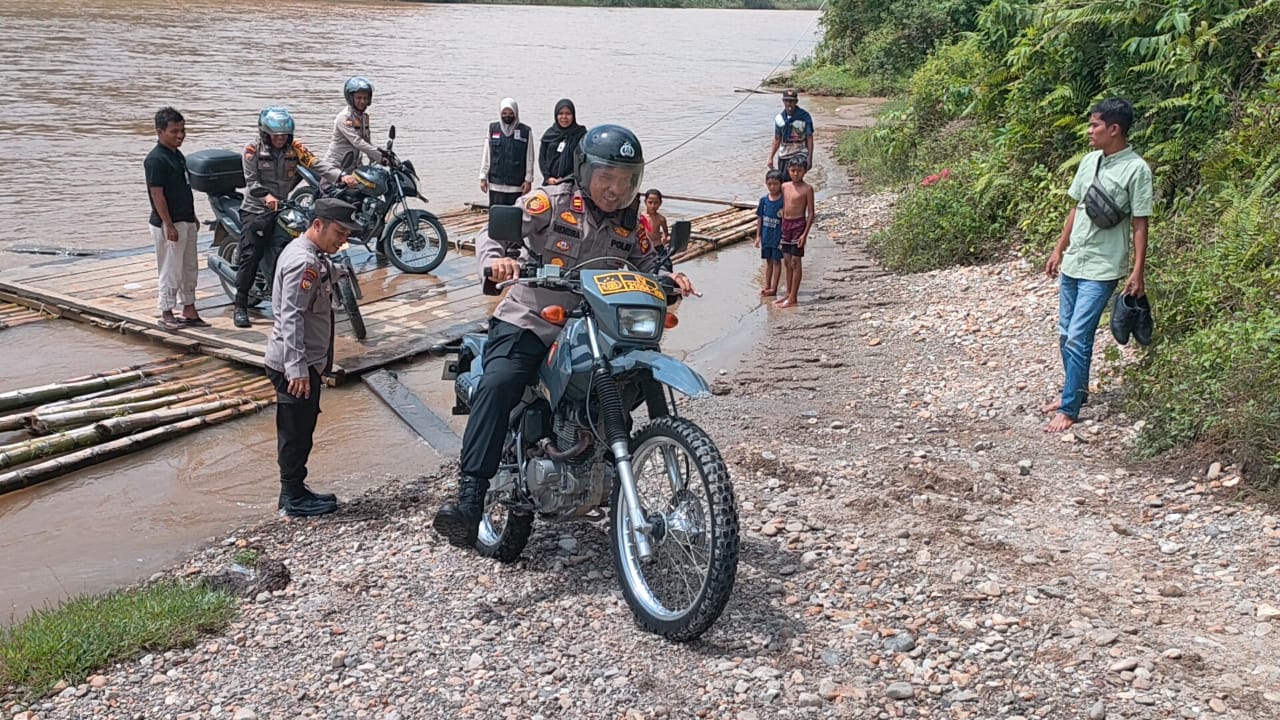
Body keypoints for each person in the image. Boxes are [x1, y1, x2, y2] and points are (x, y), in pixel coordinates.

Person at [432, 125, 698, 549]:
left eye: (625, 180)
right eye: (606, 177)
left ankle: (603, 460)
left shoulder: (631, 222)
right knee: (500, 383)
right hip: (533, 317)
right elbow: (494, 232)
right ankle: (469, 500)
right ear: (585, 171)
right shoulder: (552, 202)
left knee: (632, 376)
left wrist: (670, 277)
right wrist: (498, 262)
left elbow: (649, 264)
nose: (614, 190)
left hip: (598, 325)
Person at [1043, 97, 1153, 433]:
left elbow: (1140, 222)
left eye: (1095, 125)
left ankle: (1070, 407)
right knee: (1065, 333)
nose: (1089, 131)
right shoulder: (1089, 161)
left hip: (1103, 266)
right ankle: (1074, 391)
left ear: (1114, 129)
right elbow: (1076, 208)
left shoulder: (1137, 169)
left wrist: (1137, 270)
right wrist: (1059, 248)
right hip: (1075, 259)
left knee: (1078, 335)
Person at [263, 198, 362, 517]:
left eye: (346, 235)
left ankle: (295, 489)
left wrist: (337, 272)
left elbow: (318, 280)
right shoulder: (302, 262)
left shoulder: (313, 255)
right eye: (339, 233)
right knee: (294, 433)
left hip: (306, 361)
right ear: (318, 225)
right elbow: (289, 316)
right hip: (295, 363)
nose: (342, 240)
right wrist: (296, 369)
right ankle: (291, 498)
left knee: (303, 429)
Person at [236, 106, 356, 328]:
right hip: (257, 209)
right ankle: (240, 304)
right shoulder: (252, 150)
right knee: (251, 253)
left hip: (284, 206)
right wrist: (267, 196)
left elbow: (315, 164)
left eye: (284, 135)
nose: (280, 139)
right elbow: (251, 182)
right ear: (265, 134)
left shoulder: (296, 149)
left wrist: (341, 176)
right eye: (276, 135)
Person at [144, 107, 206, 330]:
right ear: (160, 131)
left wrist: (192, 216)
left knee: (189, 266)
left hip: (185, 218)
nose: (180, 136)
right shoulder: (156, 159)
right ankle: (166, 311)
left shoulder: (177, 156)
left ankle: (189, 309)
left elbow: (183, 188)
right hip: (169, 223)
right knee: (170, 268)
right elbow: (157, 194)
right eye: (174, 132)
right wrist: (168, 224)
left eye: (182, 130)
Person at [480, 97, 534, 207]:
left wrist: (528, 180)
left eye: (510, 113)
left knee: (515, 215)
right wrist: (483, 177)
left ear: (516, 113)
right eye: (504, 113)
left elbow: (530, 157)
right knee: (496, 214)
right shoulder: (492, 129)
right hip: (495, 184)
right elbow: (487, 154)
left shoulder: (525, 131)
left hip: (517, 185)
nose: (507, 116)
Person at [776, 155, 814, 308]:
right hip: (785, 225)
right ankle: (788, 293)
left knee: (795, 262)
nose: (796, 174)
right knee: (786, 262)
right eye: (793, 170)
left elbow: (811, 213)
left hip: (799, 225)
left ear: (805, 171)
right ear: (788, 170)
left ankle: (793, 297)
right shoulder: (785, 186)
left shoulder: (807, 189)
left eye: (799, 171)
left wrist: (805, 234)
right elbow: (778, 203)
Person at [325, 76, 382, 173]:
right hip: (336, 168)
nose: (362, 101)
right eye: (358, 98)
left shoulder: (364, 117)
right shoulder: (344, 118)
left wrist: (378, 158)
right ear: (351, 98)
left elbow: (367, 142)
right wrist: (380, 156)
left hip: (355, 167)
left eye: (365, 98)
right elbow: (357, 142)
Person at [537, 98, 586, 186]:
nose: (564, 117)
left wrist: (569, 178)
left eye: (568, 114)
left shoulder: (580, 134)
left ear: (573, 115)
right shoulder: (549, 134)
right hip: (551, 182)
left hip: (573, 183)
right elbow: (542, 159)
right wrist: (547, 177)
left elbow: (584, 160)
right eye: (560, 113)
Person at [768, 89, 814, 175]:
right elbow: (777, 139)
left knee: (796, 177)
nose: (789, 103)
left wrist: (810, 158)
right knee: (784, 180)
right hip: (784, 154)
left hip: (800, 153)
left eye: (791, 101)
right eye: (786, 101)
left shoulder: (804, 117)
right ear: (783, 101)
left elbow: (809, 138)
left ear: (796, 102)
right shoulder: (779, 118)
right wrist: (771, 157)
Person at [754, 169, 784, 297]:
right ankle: (767, 285)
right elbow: (760, 218)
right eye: (770, 184)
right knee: (768, 262)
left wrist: (783, 238)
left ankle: (774, 288)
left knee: (777, 262)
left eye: (775, 184)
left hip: (777, 237)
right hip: (766, 237)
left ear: (781, 184)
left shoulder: (783, 201)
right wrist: (758, 237)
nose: (772, 187)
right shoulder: (764, 200)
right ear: (766, 183)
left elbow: (785, 221)